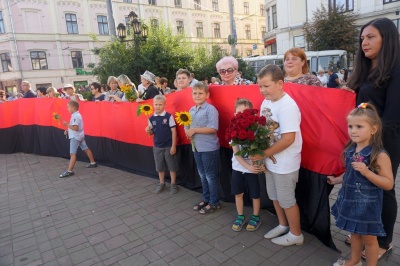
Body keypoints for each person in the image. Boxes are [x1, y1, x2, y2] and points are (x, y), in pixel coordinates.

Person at [344, 17, 400, 260]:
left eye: (371, 37)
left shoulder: (396, 69)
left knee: (384, 189)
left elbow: (392, 116)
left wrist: (373, 149)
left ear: (386, 39)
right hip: (366, 141)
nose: (364, 42)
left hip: (386, 141)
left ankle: (383, 241)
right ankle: (368, 233)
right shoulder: (366, 69)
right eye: (362, 38)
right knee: (365, 187)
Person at [328, 103, 394, 266]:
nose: (353, 130)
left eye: (359, 126)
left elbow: (388, 184)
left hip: (367, 207)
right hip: (349, 200)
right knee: (355, 234)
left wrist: (367, 172)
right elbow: (351, 173)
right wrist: (337, 180)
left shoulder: (379, 155)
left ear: (373, 129)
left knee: (370, 239)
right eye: (350, 126)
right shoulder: (351, 149)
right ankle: (354, 260)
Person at [251, 65, 304, 246]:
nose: (262, 90)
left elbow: (288, 139)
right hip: (270, 160)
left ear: (280, 83)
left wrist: (262, 153)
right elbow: (262, 129)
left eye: (266, 86)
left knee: (287, 200)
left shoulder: (288, 106)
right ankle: (283, 225)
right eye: (260, 86)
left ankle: (296, 234)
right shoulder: (266, 102)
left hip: (285, 163)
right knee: (274, 196)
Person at [186, 82, 220, 214]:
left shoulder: (210, 109)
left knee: (211, 176)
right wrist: (188, 131)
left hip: (209, 148)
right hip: (196, 148)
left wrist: (194, 130)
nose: (197, 95)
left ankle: (214, 202)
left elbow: (213, 128)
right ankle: (206, 198)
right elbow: (187, 125)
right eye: (195, 93)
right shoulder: (191, 110)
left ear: (207, 95)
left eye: (200, 93)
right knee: (202, 175)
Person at [230, 98, 263, 232]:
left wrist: (255, 164)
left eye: (245, 112)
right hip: (238, 168)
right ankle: (240, 215)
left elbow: (261, 150)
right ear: (234, 113)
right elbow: (237, 153)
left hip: (253, 169)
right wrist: (247, 166)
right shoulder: (234, 131)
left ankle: (256, 216)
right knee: (238, 193)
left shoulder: (256, 131)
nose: (242, 115)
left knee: (255, 194)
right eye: (239, 112)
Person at [145, 95, 179, 194]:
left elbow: (174, 131)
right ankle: (162, 183)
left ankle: (173, 184)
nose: (158, 106)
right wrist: (148, 131)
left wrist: (173, 146)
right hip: (157, 146)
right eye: (156, 104)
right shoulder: (151, 118)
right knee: (159, 167)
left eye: (160, 104)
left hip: (168, 146)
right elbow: (151, 133)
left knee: (172, 166)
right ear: (153, 105)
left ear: (165, 105)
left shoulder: (169, 116)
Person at [59, 101, 97, 178]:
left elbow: (75, 128)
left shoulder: (76, 116)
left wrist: (67, 125)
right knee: (86, 149)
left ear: (73, 108)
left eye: (68, 107)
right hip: (79, 136)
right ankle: (93, 163)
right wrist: (68, 130)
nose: (67, 109)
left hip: (75, 137)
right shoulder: (76, 115)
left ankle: (70, 171)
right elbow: (74, 127)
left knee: (72, 154)